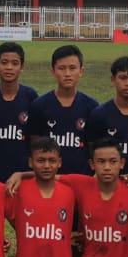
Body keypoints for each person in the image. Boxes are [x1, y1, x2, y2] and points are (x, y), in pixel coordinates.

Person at [26, 44, 99, 176]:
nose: (67, 74)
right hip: (49, 179)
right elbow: (35, 145)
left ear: (81, 71)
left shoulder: (91, 106)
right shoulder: (39, 105)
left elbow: (93, 148)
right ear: (53, 72)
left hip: (80, 179)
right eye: (62, 68)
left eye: (72, 68)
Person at [0, 42, 39, 182]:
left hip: (22, 174)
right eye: (4, 62)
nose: (9, 68)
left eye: (15, 63)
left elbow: (35, 140)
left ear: (22, 67)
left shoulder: (31, 97)